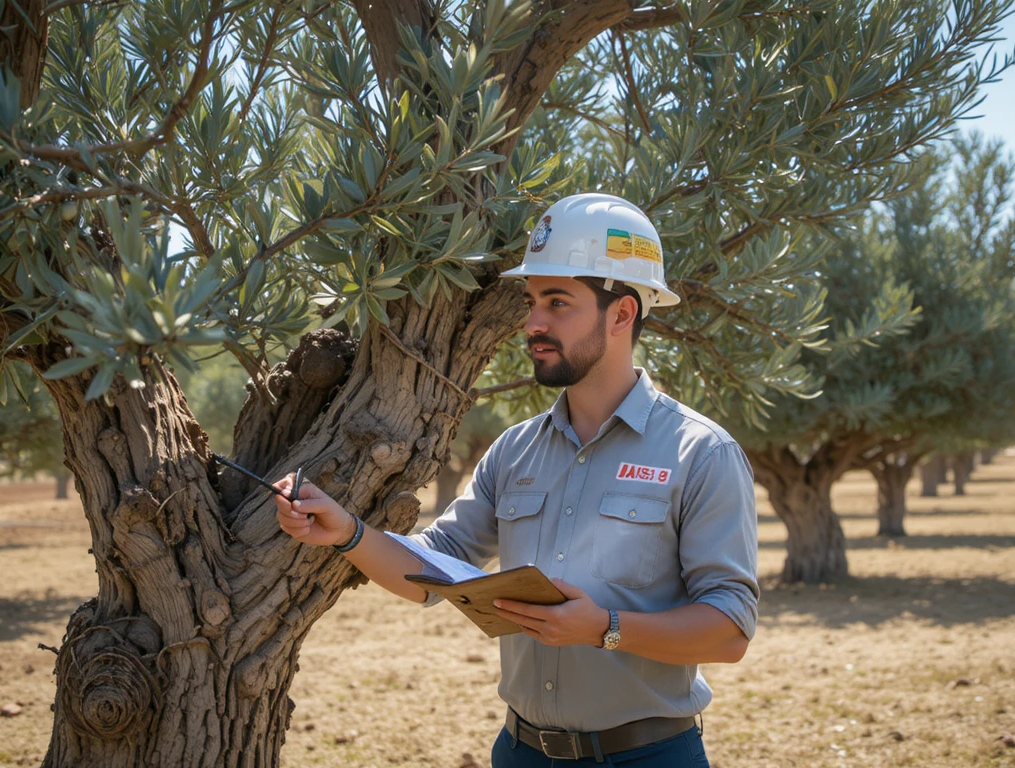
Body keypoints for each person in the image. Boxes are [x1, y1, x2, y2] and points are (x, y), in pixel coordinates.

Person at [275, 193, 759, 767]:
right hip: (519, 752)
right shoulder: (515, 451)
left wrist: (603, 629)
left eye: (557, 303)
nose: (532, 323)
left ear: (623, 314)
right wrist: (347, 533)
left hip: (648, 756)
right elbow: (433, 571)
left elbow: (729, 631)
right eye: (532, 301)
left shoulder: (701, 452)